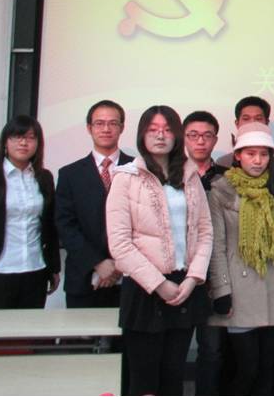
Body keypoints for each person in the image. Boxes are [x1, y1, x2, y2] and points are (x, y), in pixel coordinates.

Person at [106, 105, 213, 396]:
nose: (160, 135)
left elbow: (205, 231)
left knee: (173, 377)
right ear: (142, 135)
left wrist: (193, 278)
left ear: (177, 135)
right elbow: (119, 244)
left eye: (167, 129)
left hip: (184, 288)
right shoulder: (126, 177)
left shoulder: (190, 176)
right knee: (144, 382)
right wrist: (158, 284)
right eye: (153, 129)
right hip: (144, 290)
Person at [207, 122, 274, 395]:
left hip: (273, 287)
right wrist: (221, 291)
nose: (257, 160)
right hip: (238, 291)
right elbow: (217, 246)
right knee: (247, 369)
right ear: (238, 155)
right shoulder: (220, 191)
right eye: (250, 154)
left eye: (263, 154)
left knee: (267, 368)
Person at [0, 114, 60, 309]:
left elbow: (50, 227)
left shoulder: (44, 178)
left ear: (38, 144)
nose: (23, 143)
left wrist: (54, 268)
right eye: (17, 137)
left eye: (30, 137)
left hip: (35, 270)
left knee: (30, 327)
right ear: (5, 142)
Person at [56, 100, 133, 309]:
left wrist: (119, 264)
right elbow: (65, 225)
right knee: (81, 331)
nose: (106, 129)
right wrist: (97, 262)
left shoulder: (139, 169)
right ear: (89, 128)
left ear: (122, 127)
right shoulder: (70, 174)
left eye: (113, 123)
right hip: (83, 278)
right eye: (99, 123)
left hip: (132, 278)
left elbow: (146, 224)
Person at [183, 111, 230, 396]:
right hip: (179, 274)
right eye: (193, 135)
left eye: (207, 135)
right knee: (174, 350)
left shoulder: (228, 178)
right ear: (184, 138)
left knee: (212, 350)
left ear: (215, 139)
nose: (200, 141)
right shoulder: (171, 176)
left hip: (215, 275)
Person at [217, 96, 272, 167]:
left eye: (258, 119)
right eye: (246, 119)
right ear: (237, 124)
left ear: (267, 123)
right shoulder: (223, 163)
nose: (252, 123)